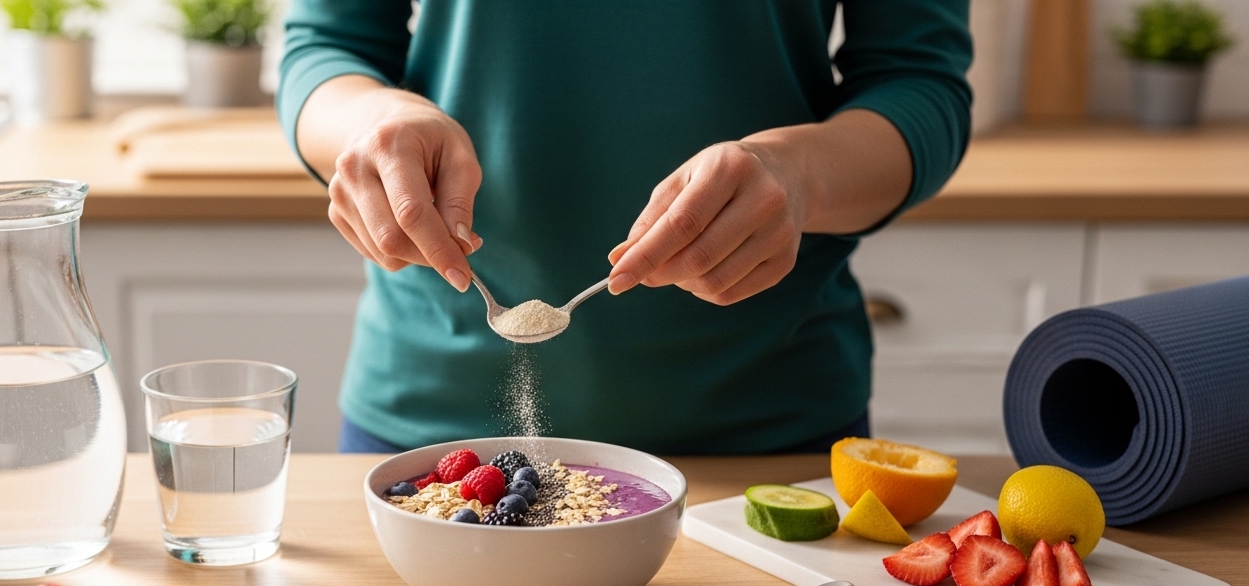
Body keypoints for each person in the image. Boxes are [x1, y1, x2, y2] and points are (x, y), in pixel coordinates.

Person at [278, 1, 972, 454]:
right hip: (433, 422)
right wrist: (371, 128)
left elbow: (919, 81)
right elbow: (326, 48)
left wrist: (799, 174)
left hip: (763, 427)